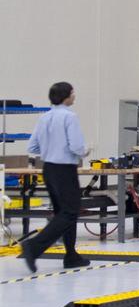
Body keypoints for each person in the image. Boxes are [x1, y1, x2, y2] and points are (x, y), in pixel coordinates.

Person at [20, 82, 91, 272]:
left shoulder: (44, 117)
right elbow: (76, 146)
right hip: (65, 169)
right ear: (66, 96)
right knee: (70, 212)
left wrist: (49, 148)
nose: (74, 95)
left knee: (63, 213)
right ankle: (33, 246)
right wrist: (85, 151)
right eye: (73, 92)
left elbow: (32, 147)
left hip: (48, 168)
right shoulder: (70, 117)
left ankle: (71, 256)